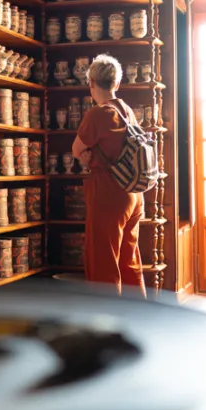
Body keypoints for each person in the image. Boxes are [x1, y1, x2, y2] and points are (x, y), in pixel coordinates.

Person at [72, 54, 146, 296]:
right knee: (129, 259)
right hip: (134, 193)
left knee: (103, 261)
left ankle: (107, 321)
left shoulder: (97, 113)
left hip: (109, 193)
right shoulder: (126, 110)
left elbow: (76, 150)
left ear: (91, 83)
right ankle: (139, 316)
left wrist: (87, 155)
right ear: (117, 83)